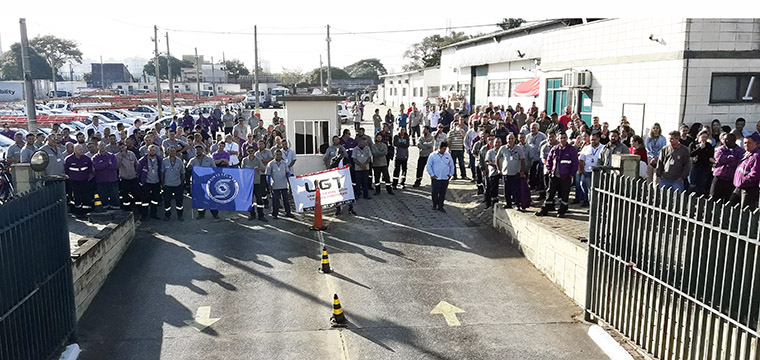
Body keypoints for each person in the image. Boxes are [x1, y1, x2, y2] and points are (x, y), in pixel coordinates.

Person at [536, 133, 578, 218]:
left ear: (566, 138)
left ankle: (562, 210)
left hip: (566, 176)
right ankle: (545, 209)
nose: (562, 140)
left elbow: (575, 163)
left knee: (564, 194)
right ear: (558, 139)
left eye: (564, 138)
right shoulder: (555, 149)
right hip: (554, 176)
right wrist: (550, 171)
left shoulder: (572, 150)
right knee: (550, 193)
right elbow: (549, 161)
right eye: (561, 138)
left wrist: (571, 174)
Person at [187, 146, 219, 219]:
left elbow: (215, 169)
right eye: (196, 150)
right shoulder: (192, 160)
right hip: (198, 183)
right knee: (200, 199)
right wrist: (189, 167)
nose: (198, 151)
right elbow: (188, 168)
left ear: (203, 151)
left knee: (211, 198)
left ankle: (215, 214)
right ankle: (201, 214)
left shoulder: (209, 159)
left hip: (208, 182)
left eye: (199, 150)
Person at [729, 133, 760, 210]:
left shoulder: (756, 156)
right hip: (739, 186)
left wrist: (743, 180)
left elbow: (755, 174)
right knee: (731, 205)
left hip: (748, 188)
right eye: (745, 143)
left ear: (755, 144)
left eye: (749, 143)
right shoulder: (746, 153)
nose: (746, 145)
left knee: (745, 210)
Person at [711, 132, 744, 203]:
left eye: (727, 140)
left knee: (728, 199)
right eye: (724, 140)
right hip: (719, 177)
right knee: (714, 197)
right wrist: (731, 158)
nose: (725, 141)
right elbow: (719, 159)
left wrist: (728, 159)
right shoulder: (720, 149)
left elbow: (739, 162)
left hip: (731, 179)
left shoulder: (740, 151)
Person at [496, 133, 525, 210]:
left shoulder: (519, 148)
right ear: (506, 140)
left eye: (512, 138)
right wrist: (499, 169)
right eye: (509, 138)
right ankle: (508, 203)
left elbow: (522, 160)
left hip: (516, 172)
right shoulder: (503, 148)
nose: (510, 140)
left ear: (515, 139)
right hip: (506, 173)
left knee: (516, 189)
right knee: (507, 190)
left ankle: (516, 204)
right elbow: (497, 158)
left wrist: (522, 171)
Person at [65, 144, 94, 217]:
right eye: (80, 150)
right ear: (75, 150)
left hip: (85, 181)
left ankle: (87, 212)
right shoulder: (69, 159)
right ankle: (78, 212)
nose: (82, 151)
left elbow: (90, 169)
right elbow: (66, 170)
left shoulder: (87, 159)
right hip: (74, 182)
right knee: (76, 197)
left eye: (82, 149)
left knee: (86, 196)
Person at [426, 141, 454, 212]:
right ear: (439, 148)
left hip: (445, 177)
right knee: (435, 192)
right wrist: (432, 175)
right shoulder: (433, 155)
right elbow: (429, 165)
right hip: (436, 177)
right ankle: (434, 204)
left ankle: (441, 206)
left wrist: (450, 174)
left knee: (442, 192)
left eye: (445, 149)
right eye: (443, 149)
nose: (444, 150)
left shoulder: (448, 155)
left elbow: (451, 165)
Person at [137, 145, 163, 221]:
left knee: (155, 200)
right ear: (148, 151)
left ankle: (153, 214)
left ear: (156, 151)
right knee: (145, 200)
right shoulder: (142, 160)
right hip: (146, 183)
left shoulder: (159, 160)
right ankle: (144, 215)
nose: (152, 152)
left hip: (156, 182)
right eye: (151, 150)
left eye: (153, 150)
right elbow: (138, 171)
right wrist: (140, 181)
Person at [242, 146, 268, 222]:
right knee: (250, 200)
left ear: (254, 151)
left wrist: (259, 169)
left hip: (257, 182)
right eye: (249, 151)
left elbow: (264, 169)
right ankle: (252, 214)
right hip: (249, 183)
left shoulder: (258, 160)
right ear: (247, 152)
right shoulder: (245, 160)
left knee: (259, 200)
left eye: (252, 151)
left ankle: (261, 215)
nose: (251, 153)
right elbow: (242, 171)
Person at [267, 149, 294, 219]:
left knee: (286, 200)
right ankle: (275, 214)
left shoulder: (284, 163)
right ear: (274, 155)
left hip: (284, 185)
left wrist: (289, 177)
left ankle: (288, 212)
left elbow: (287, 172)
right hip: (275, 185)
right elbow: (268, 175)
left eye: (279, 154)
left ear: (281, 155)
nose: (278, 156)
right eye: (277, 154)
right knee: (275, 200)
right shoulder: (271, 164)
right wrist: (269, 184)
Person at [92, 142, 120, 210]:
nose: (102, 147)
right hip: (101, 180)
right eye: (100, 145)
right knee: (103, 196)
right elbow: (97, 167)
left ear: (106, 146)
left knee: (114, 195)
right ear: (97, 147)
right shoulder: (95, 157)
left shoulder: (112, 156)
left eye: (103, 145)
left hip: (112, 180)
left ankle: (116, 208)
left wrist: (103, 165)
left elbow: (114, 166)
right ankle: (105, 208)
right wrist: (107, 163)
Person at [578, 132, 603, 207]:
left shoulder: (603, 148)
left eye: (594, 140)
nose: (593, 141)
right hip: (587, 171)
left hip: (598, 172)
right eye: (591, 140)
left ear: (599, 139)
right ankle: (588, 202)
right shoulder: (586, 148)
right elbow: (581, 160)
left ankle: (594, 205)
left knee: (594, 190)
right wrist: (582, 171)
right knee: (585, 187)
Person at [161, 146, 185, 221]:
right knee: (167, 201)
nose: (172, 152)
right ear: (168, 152)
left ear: (176, 152)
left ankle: (180, 215)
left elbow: (182, 173)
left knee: (179, 201)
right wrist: (163, 183)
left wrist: (181, 182)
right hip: (167, 185)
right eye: (170, 151)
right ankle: (167, 215)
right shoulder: (164, 161)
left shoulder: (179, 161)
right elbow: (162, 173)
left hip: (177, 184)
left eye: (173, 151)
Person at [689, 130, 715, 195]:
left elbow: (710, 156)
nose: (704, 139)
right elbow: (691, 154)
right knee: (693, 183)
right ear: (698, 137)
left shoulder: (709, 146)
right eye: (702, 137)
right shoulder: (693, 144)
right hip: (695, 166)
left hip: (704, 167)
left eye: (706, 137)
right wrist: (699, 148)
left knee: (702, 183)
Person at [116, 141, 140, 212]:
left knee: (137, 194)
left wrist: (137, 174)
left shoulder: (131, 154)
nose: (122, 149)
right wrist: (122, 157)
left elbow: (136, 164)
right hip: (124, 179)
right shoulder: (116, 156)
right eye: (120, 148)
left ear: (126, 147)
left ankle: (138, 209)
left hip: (133, 178)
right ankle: (127, 210)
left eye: (123, 147)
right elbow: (117, 167)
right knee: (125, 196)